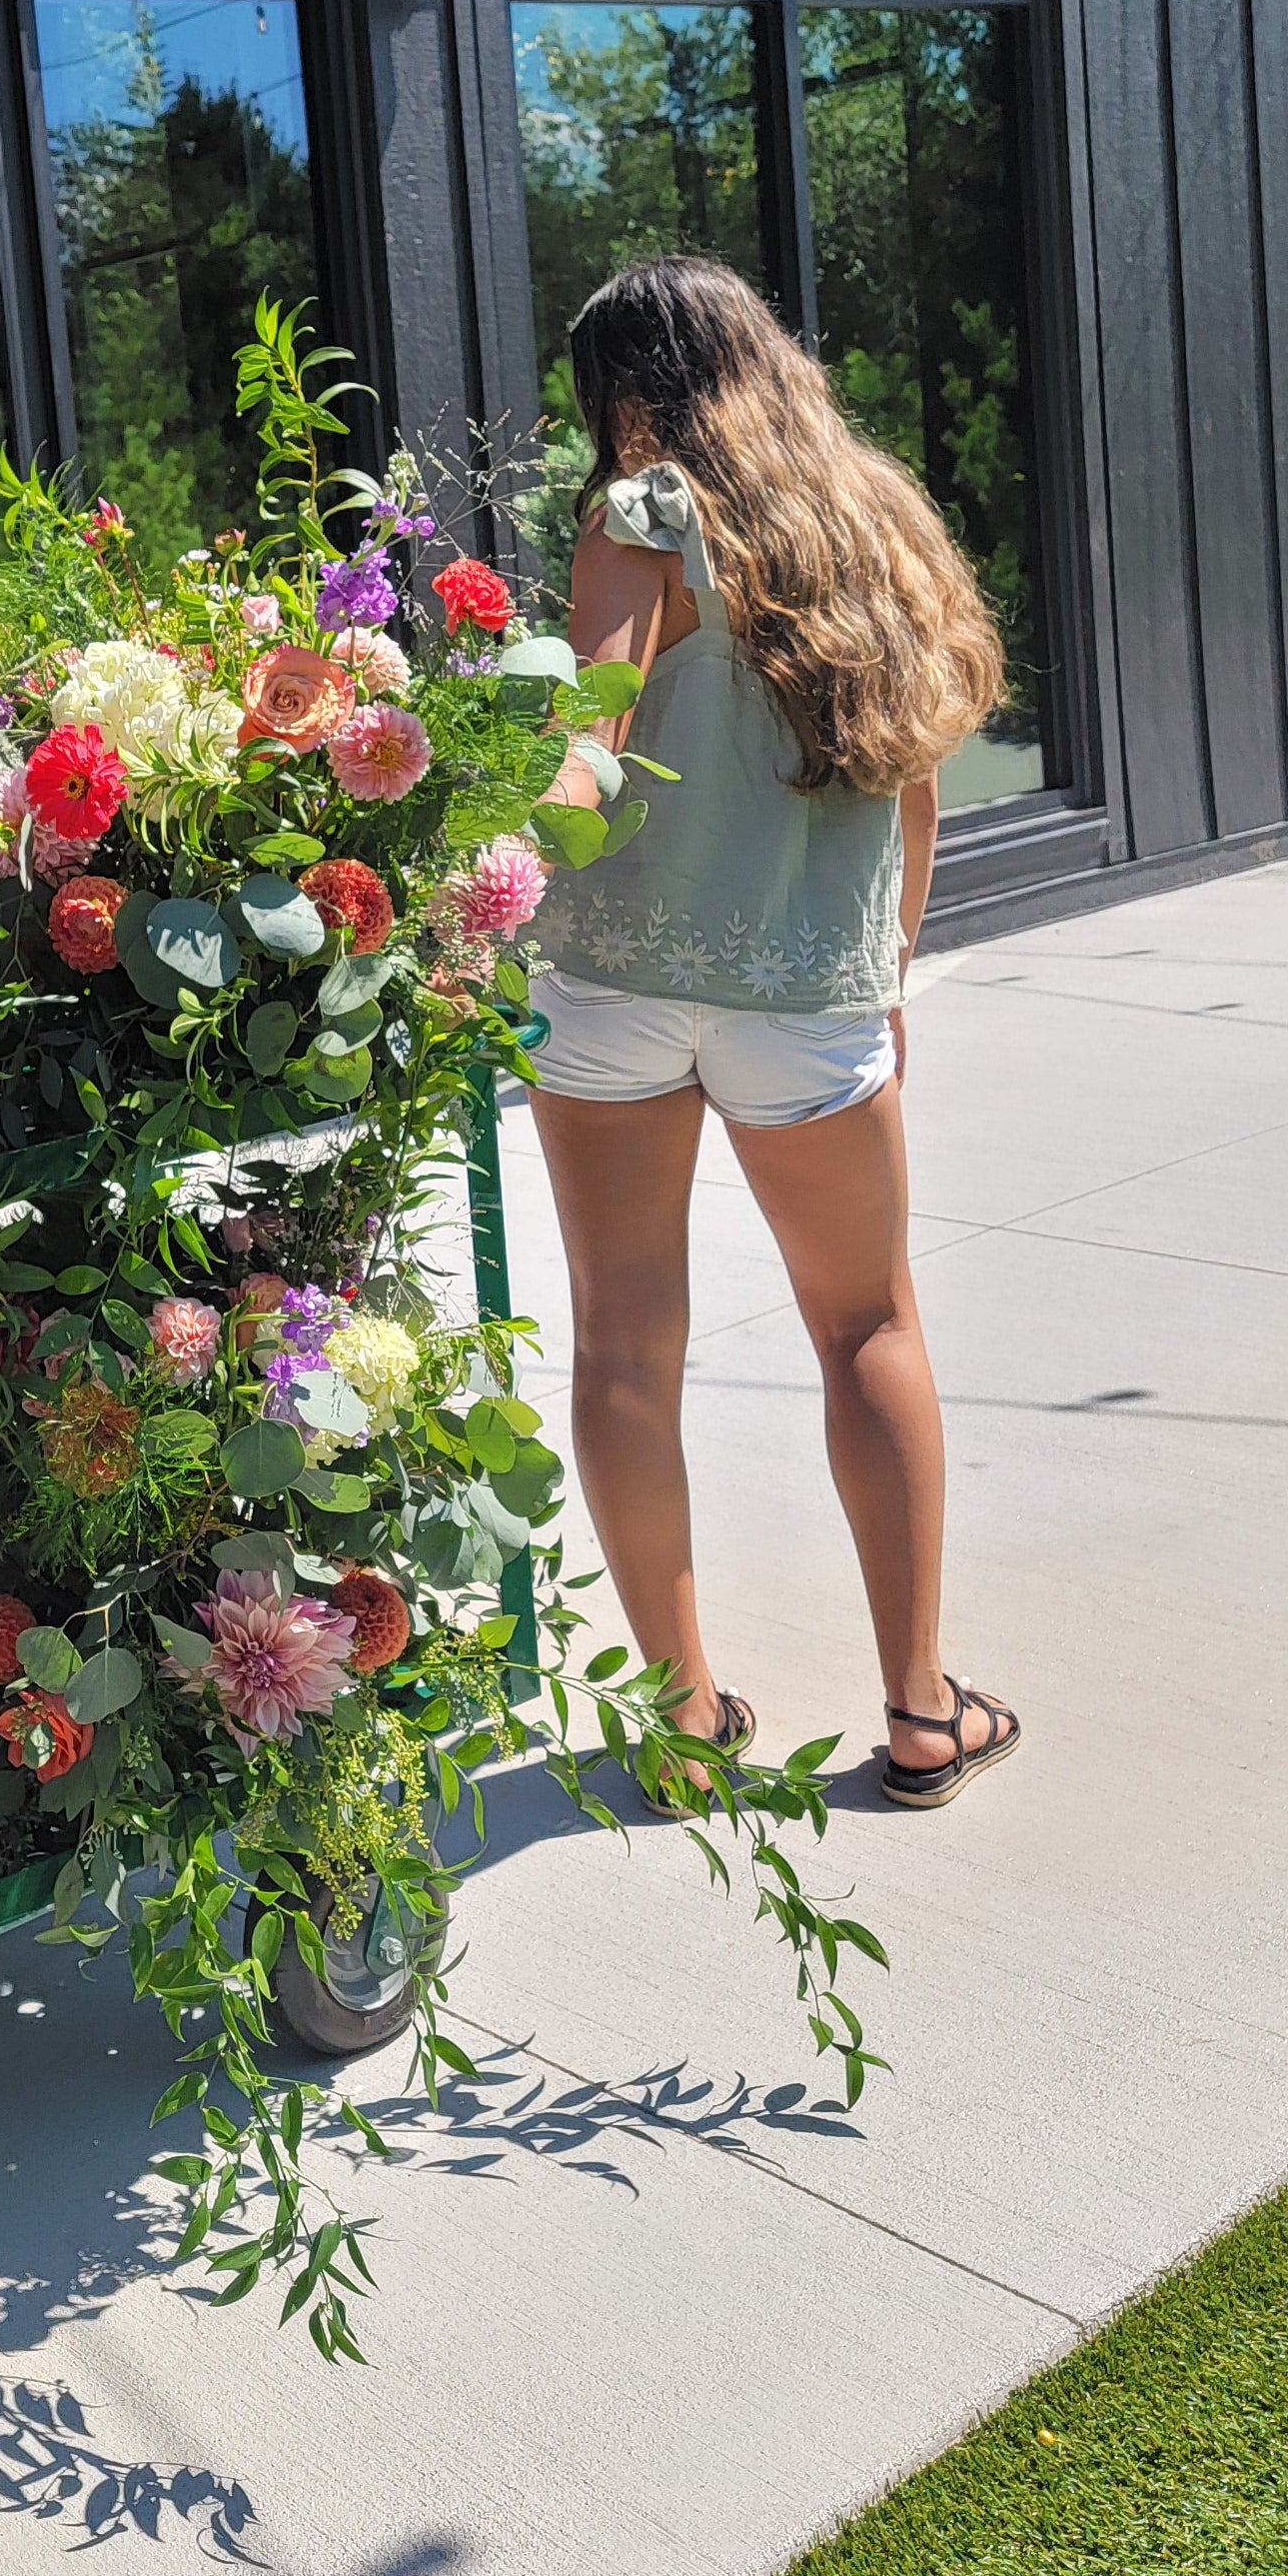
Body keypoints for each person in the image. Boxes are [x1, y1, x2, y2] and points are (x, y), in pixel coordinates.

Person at [527, 253, 1019, 1813]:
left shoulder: (639, 516)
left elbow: (580, 758)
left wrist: (467, 835)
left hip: (611, 984)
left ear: (624, 397)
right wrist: (881, 981)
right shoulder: (875, 523)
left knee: (621, 1342)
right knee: (867, 1326)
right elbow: (917, 782)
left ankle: (680, 1726)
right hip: (809, 991)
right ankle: (924, 1712)